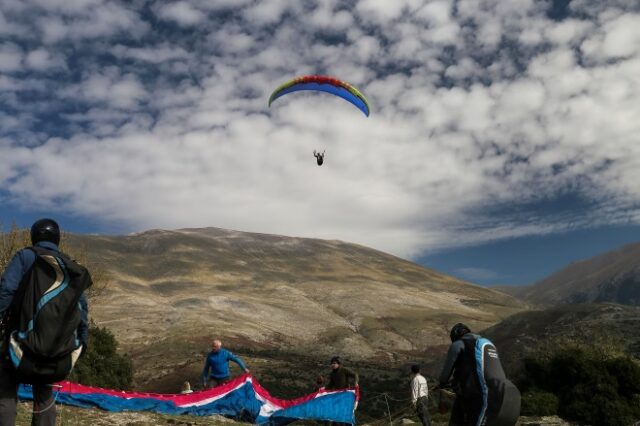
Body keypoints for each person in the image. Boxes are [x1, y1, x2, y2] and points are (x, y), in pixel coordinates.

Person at [0, 218, 90, 426]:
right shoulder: (70, 267)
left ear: (34, 236)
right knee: (44, 392)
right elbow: (82, 309)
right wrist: (82, 341)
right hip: (56, 349)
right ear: (57, 239)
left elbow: (6, 290)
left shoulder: (25, 256)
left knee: (5, 386)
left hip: (20, 343)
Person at [437, 323, 520, 426]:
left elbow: (445, 375)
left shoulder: (459, 344)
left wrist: (442, 383)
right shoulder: (487, 343)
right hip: (508, 393)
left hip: (486, 397)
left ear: (455, 336)